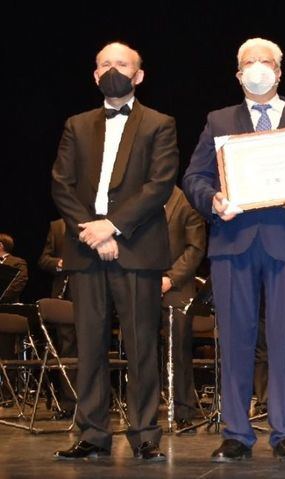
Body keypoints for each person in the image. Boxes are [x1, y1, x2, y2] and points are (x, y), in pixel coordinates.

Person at [182, 37, 285, 463]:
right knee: (235, 340)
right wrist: (211, 199)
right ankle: (235, 433)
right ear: (238, 73)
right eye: (250, 62)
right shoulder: (218, 120)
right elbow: (195, 176)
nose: (258, 68)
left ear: (280, 72)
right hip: (232, 243)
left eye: (266, 62)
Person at [50, 41, 178, 462]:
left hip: (138, 248)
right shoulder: (76, 123)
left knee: (142, 346)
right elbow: (61, 185)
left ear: (138, 75)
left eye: (121, 64)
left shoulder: (160, 123)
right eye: (105, 64)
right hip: (86, 247)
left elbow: (158, 185)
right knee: (89, 346)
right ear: (94, 75)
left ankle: (144, 434)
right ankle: (91, 432)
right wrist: (92, 232)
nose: (113, 70)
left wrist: (114, 226)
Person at [161, 186, 206, 433]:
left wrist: (170, 279)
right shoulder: (140, 197)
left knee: (178, 352)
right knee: (141, 351)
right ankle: (142, 412)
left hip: (176, 288)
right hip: (142, 286)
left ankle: (183, 411)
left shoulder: (186, 202)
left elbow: (195, 247)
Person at [37, 219, 77, 419]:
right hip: (64, 295)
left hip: (93, 294)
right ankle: (70, 404)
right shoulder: (56, 226)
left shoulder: (101, 221)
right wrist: (59, 263)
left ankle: (95, 403)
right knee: (67, 350)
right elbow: (44, 259)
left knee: (94, 348)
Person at [0, 233, 28, 303]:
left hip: (7, 306)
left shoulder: (18, 263)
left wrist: (2, 297)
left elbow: (18, 284)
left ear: (0, 245)